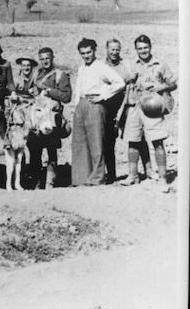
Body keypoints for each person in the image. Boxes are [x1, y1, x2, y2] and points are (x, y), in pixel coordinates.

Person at [119, 35, 176, 193]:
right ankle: (132, 175)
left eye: (145, 48)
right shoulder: (131, 65)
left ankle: (163, 178)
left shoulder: (160, 64)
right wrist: (128, 79)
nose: (143, 51)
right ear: (136, 49)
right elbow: (121, 81)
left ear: (150, 47)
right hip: (134, 104)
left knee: (157, 141)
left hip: (153, 106)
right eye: (140, 48)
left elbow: (173, 84)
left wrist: (162, 87)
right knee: (132, 140)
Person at [71, 38, 125, 186]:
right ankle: (81, 179)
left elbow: (119, 83)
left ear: (94, 51)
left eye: (89, 52)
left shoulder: (101, 67)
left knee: (96, 143)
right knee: (80, 143)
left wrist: (103, 96)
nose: (86, 55)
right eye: (83, 53)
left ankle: (97, 178)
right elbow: (78, 89)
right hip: (81, 105)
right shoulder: (81, 68)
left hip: (95, 105)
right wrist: (76, 106)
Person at [102, 39, 150, 184]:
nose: (115, 52)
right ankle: (111, 175)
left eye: (117, 49)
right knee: (109, 142)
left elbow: (133, 81)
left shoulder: (126, 65)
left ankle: (148, 170)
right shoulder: (102, 66)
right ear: (107, 49)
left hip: (126, 106)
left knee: (138, 138)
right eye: (112, 49)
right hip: (109, 108)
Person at [26, 48, 72, 189]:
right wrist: (31, 91)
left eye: (47, 58)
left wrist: (49, 92)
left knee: (51, 149)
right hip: (38, 115)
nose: (45, 61)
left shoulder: (60, 75)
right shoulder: (36, 73)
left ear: (52, 57)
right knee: (34, 148)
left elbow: (66, 96)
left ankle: (50, 180)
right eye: (42, 59)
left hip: (51, 116)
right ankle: (37, 179)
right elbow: (28, 90)